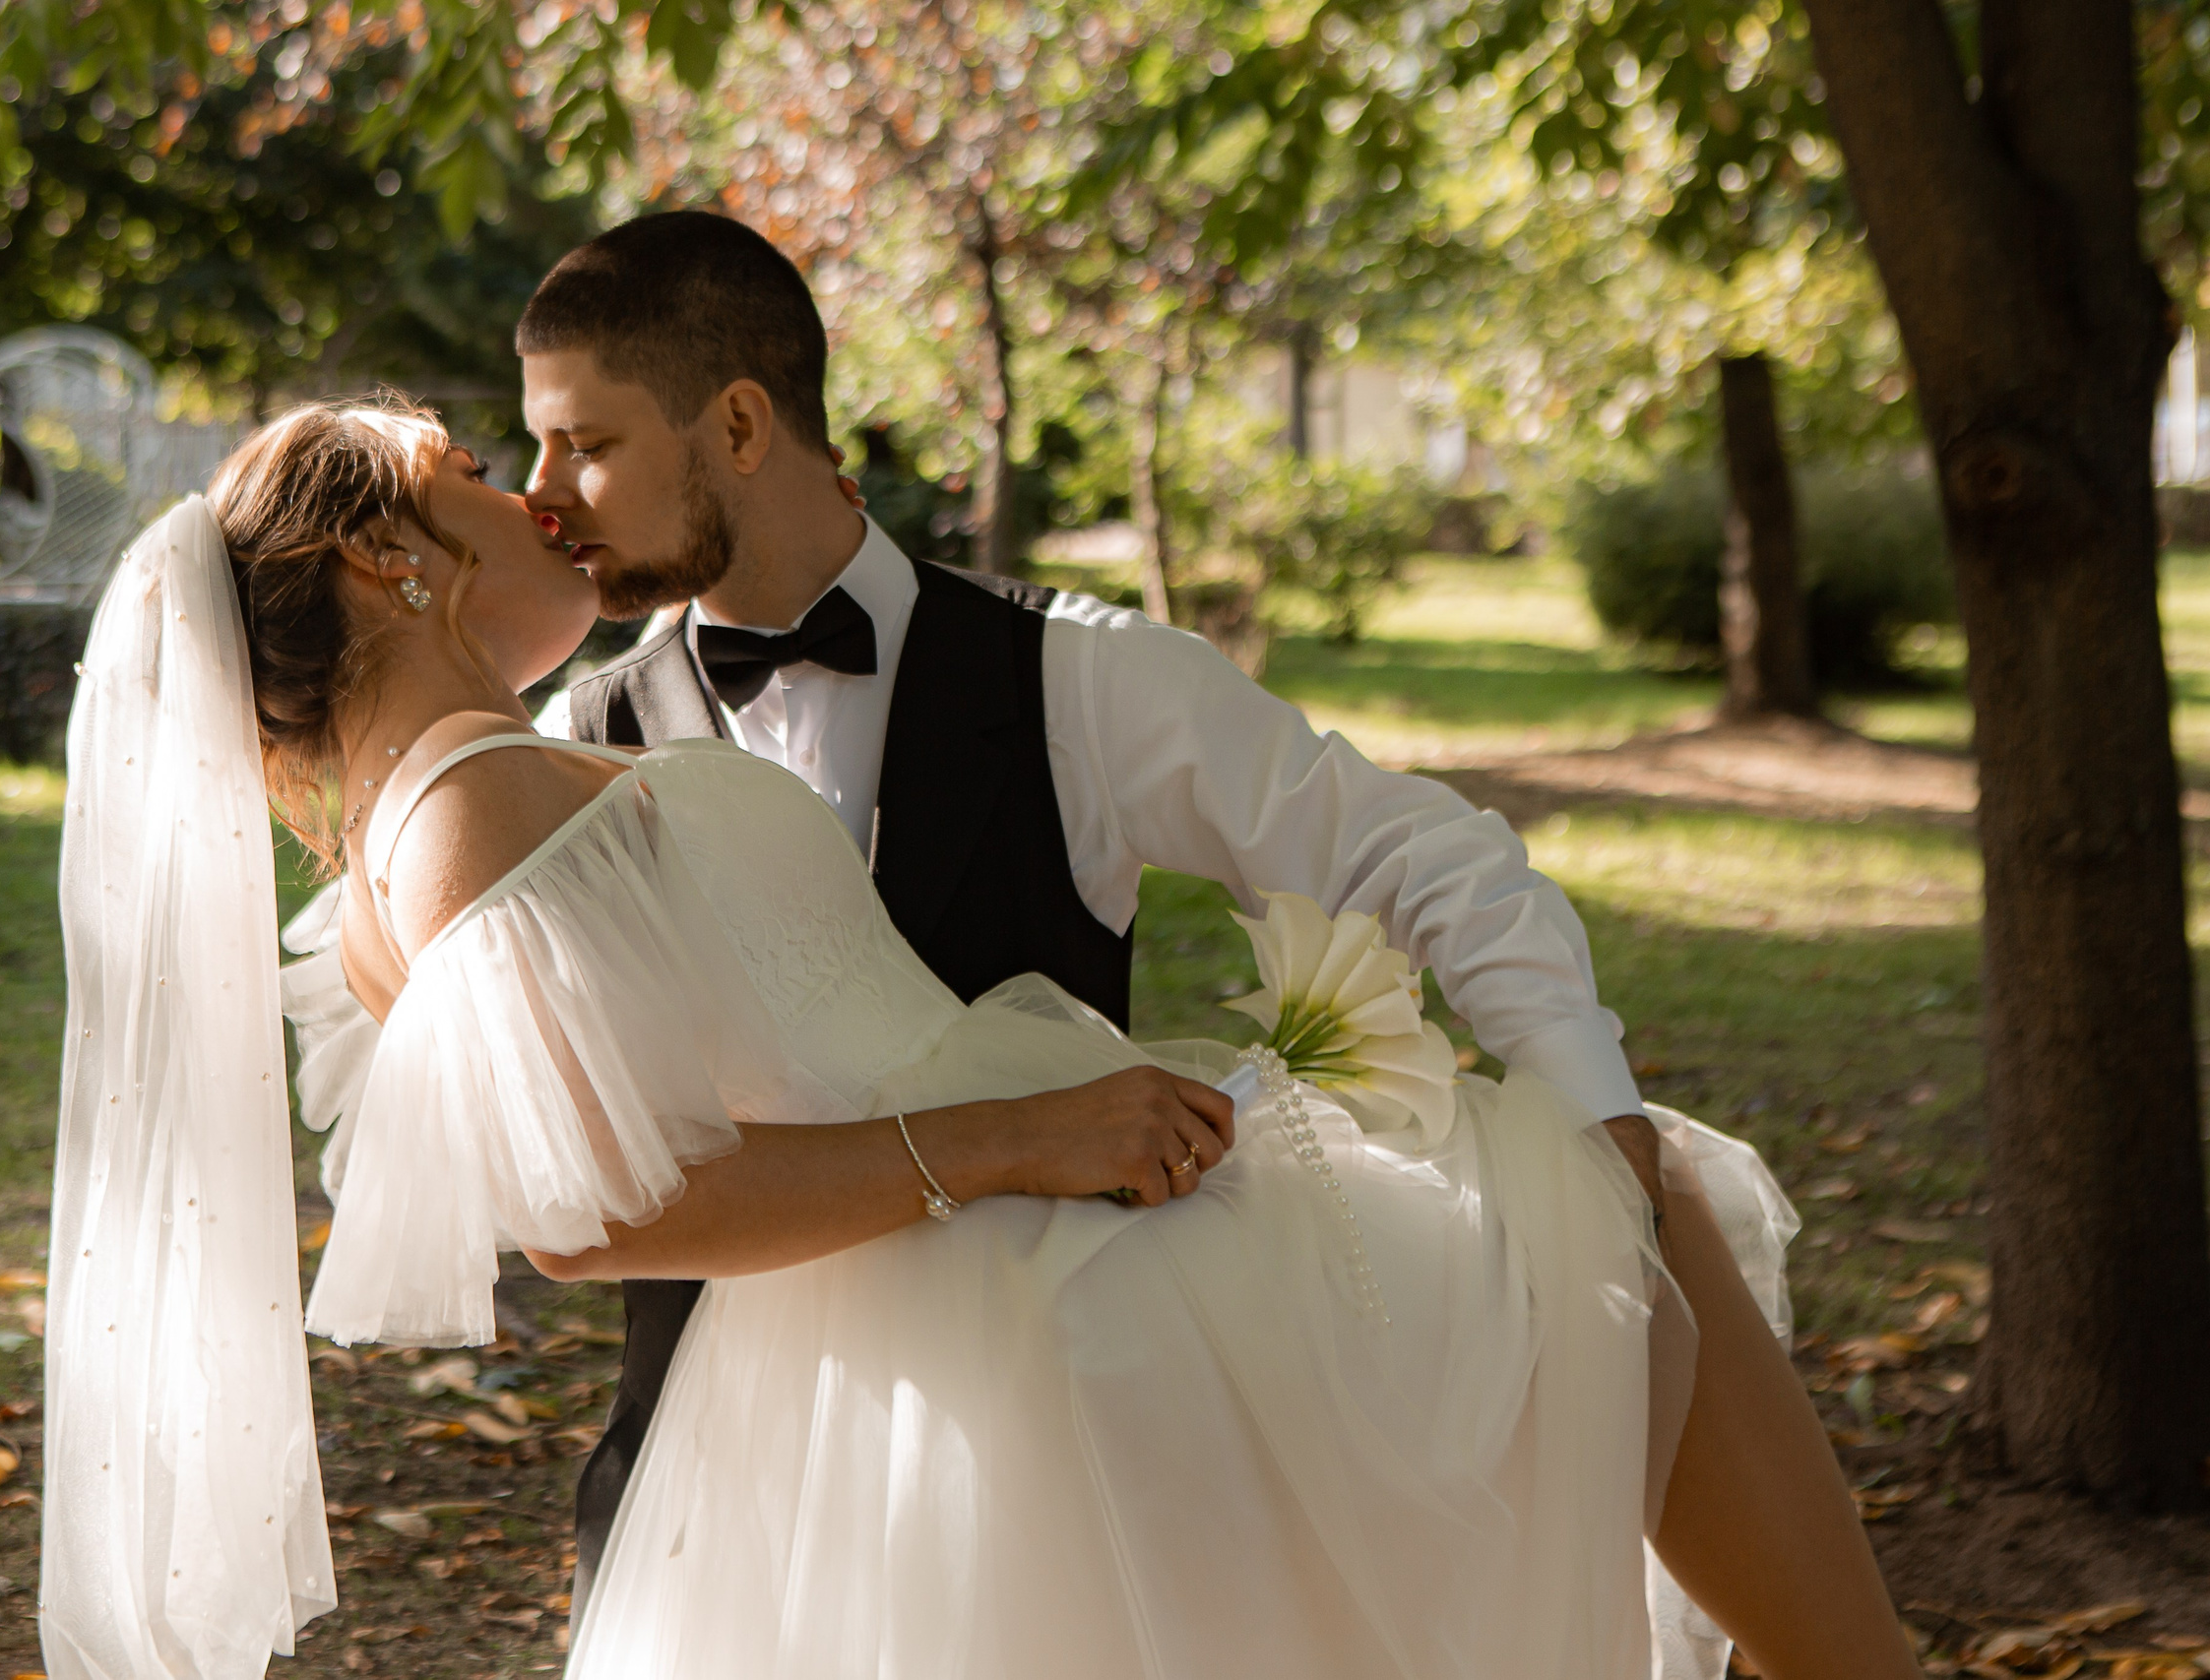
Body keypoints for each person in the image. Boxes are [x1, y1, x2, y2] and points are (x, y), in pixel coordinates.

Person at [39, 387, 1919, 1679]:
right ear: (387, 562)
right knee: (1611, 1229)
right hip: (1010, 1279)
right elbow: (592, 1220)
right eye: (463, 466)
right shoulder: (458, 808)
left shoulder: (444, 805)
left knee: (1613, 1241)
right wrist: (1022, 1142)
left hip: (972, 1281)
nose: (526, 492)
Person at [519, 211, 1921, 1677]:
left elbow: (1420, 850)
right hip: (716, 1484)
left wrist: (1593, 1110)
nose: (548, 493)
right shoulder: (574, 750)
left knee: (1633, 1210)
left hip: (1075, 1456)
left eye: (584, 444)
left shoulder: (1075, 678)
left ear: (739, 421)